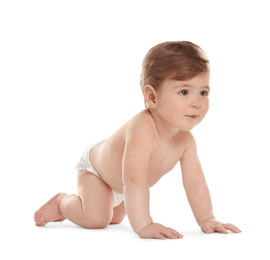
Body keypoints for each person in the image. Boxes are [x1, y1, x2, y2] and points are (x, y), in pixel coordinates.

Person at [34, 41, 241, 239]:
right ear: (152, 97)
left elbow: (195, 182)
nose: (197, 102)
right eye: (184, 92)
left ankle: (86, 205)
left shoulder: (186, 141)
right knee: (97, 219)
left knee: (115, 218)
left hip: (122, 180)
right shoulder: (142, 129)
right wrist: (144, 225)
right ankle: (62, 203)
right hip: (97, 172)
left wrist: (207, 219)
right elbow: (134, 182)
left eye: (203, 92)